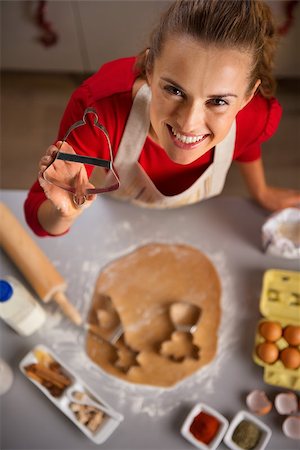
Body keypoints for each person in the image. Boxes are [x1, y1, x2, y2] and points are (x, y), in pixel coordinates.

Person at [24, 0, 300, 237]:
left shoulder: (257, 116)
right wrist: (66, 213)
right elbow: (36, 215)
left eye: (218, 101)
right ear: (149, 70)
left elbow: (247, 142)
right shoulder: (98, 114)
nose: (189, 123)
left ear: (246, 98)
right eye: (175, 90)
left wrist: (260, 191)